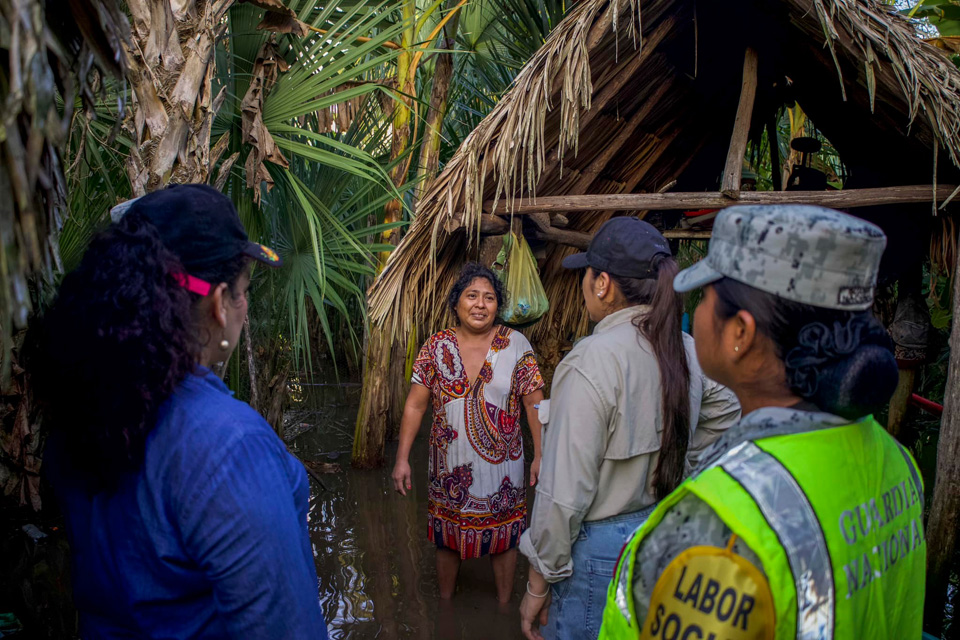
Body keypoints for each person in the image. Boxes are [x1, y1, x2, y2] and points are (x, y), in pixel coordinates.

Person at [600, 205, 924, 640]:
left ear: (740, 333)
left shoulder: (721, 528)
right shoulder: (897, 461)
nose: (695, 312)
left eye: (705, 297)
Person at [28, 185, 328, 638]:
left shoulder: (80, 417)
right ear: (217, 305)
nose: (244, 309)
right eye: (243, 293)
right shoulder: (230, 445)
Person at [518, 218, 741, 640]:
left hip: (602, 554)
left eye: (587, 275)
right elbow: (727, 413)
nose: (584, 285)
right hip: (665, 534)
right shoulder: (689, 349)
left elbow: (563, 496)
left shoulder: (590, 361)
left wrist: (537, 584)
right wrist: (685, 464)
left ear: (602, 284)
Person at [391, 262, 545, 603]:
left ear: (497, 306)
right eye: (471, 296)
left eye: (489, 298)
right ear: (456, 303)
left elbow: (535, 404)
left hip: (505, 470)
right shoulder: (435, 347)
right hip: (449, 471)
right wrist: (402, 459)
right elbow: (415, 406)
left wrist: (542, 455)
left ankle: (504, 607)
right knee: (447, 538)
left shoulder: (516, 345)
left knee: (505, 539)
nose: (480, 304)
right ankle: (446, 608)